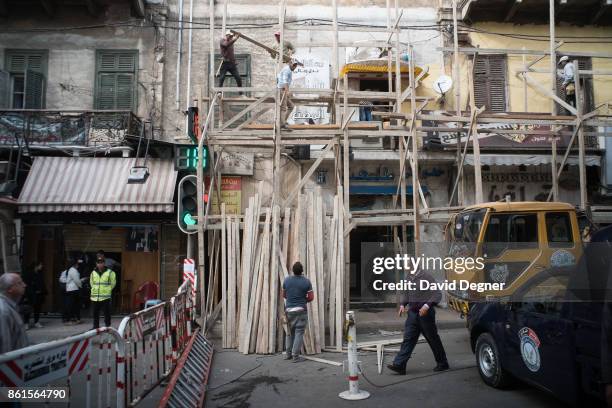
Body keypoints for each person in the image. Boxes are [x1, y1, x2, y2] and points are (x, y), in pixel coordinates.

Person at [387, 269, 449, 374]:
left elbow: (437, 294)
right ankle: (400, 365)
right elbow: (407, 294)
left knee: (433, 339)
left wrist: (426, 306)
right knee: (408, 338)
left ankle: (443, 363)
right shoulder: (408, 278)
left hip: (426, 315)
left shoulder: (427, 277)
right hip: (413, 314)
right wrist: (403, 304)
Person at [282, 262, 314, 362]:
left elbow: (284, 295)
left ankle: (288, 354)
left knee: (289, 333)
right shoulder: (306, 282)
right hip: (301, 311)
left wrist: (291, 299)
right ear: (302, 271)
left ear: (292, 270)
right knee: (299, 333)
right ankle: (295, 356)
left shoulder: (286, 280)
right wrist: (303, 300)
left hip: (289, 311)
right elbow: (311, 297)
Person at [0, 273, 28, 353]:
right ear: (10, 289)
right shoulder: (3, 311)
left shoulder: (11, 306)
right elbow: (4, 346)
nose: (24, 285)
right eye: (20, 283)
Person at [90, 257, 116, 329]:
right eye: (98, 262)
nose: (100, 264)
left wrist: (107, 290)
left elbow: (113, 283)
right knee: (95, 313)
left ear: (104, 263)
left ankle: (108, 326)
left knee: (106, 313)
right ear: (96, 263)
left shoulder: (110, 272)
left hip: (105, 296)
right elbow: (92, 283)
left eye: (101, 262)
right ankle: (95, 327)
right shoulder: (93, 272)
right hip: (95, 297)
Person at [277, 59, 301, 130]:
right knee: (283, 108)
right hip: (281, 90)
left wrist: (287, 91)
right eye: (293, 65)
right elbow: (285, 82)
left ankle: (283, 122)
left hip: (283, 90)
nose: (295, 67)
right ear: (290, 64)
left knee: (291, 106)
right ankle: (282, 124)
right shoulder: (287, 70)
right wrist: (287, 92)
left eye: (295, 65)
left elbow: (281, 79)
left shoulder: (289, 70)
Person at [22, 261, 47, 329]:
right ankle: (26, 323)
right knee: (28, 309)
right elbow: (27, 284)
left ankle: (36, 322)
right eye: (40, 265)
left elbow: (42, 283)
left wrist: (42, 291)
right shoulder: (28, 273)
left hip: (39, 294)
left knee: (37, 309)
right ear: (36, 266)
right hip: (30, 294)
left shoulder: (39, 273)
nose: (41, 266)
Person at [64, 257, 83, 325]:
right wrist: (81, 285)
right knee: (72, 305)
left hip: (71, 289)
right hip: (73, 289)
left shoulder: (71, 270)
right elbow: (77, 280)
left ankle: (74, 319)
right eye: (77, 264)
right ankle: (69, 319)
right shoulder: (73, 270)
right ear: (75, 264)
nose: (78, 265)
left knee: (73, 305)